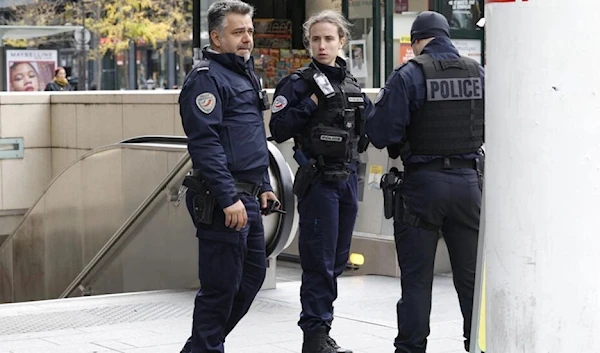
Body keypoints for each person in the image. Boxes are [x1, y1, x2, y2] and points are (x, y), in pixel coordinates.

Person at [365, 11, 484, 353]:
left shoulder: (409, 74)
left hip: (422, 186)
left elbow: (380, 132)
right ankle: (477, 344)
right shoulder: (478, 72)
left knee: (417, 281)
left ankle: (411, 348)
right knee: (471, 279)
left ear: (417, 41)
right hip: (468, 185)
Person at [178, 1, 279, 352]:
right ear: (216, 38)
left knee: (250, 279)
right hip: (223, 198)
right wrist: (228, 197)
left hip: (248, 195)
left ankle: (202, 347)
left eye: (250, 31)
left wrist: (264, 185)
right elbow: (205, 144)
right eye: (238, 32)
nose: (247, 38)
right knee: (220, 288)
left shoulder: (244, 74)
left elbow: (252, 136)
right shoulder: (206, 80)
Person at [269, 10, 372, 353]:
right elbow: (278, 128)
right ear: (308, 43)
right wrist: (312, 101)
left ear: (342, 41)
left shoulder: (352, 84)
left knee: (337, 260)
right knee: (319, 262)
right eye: (316, 39)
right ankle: (314, 336)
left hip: (346, 182)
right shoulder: (298, 82)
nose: (322, 45)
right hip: (319, 183)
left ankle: (321, 329)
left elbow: (368, 128)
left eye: (329, 38)